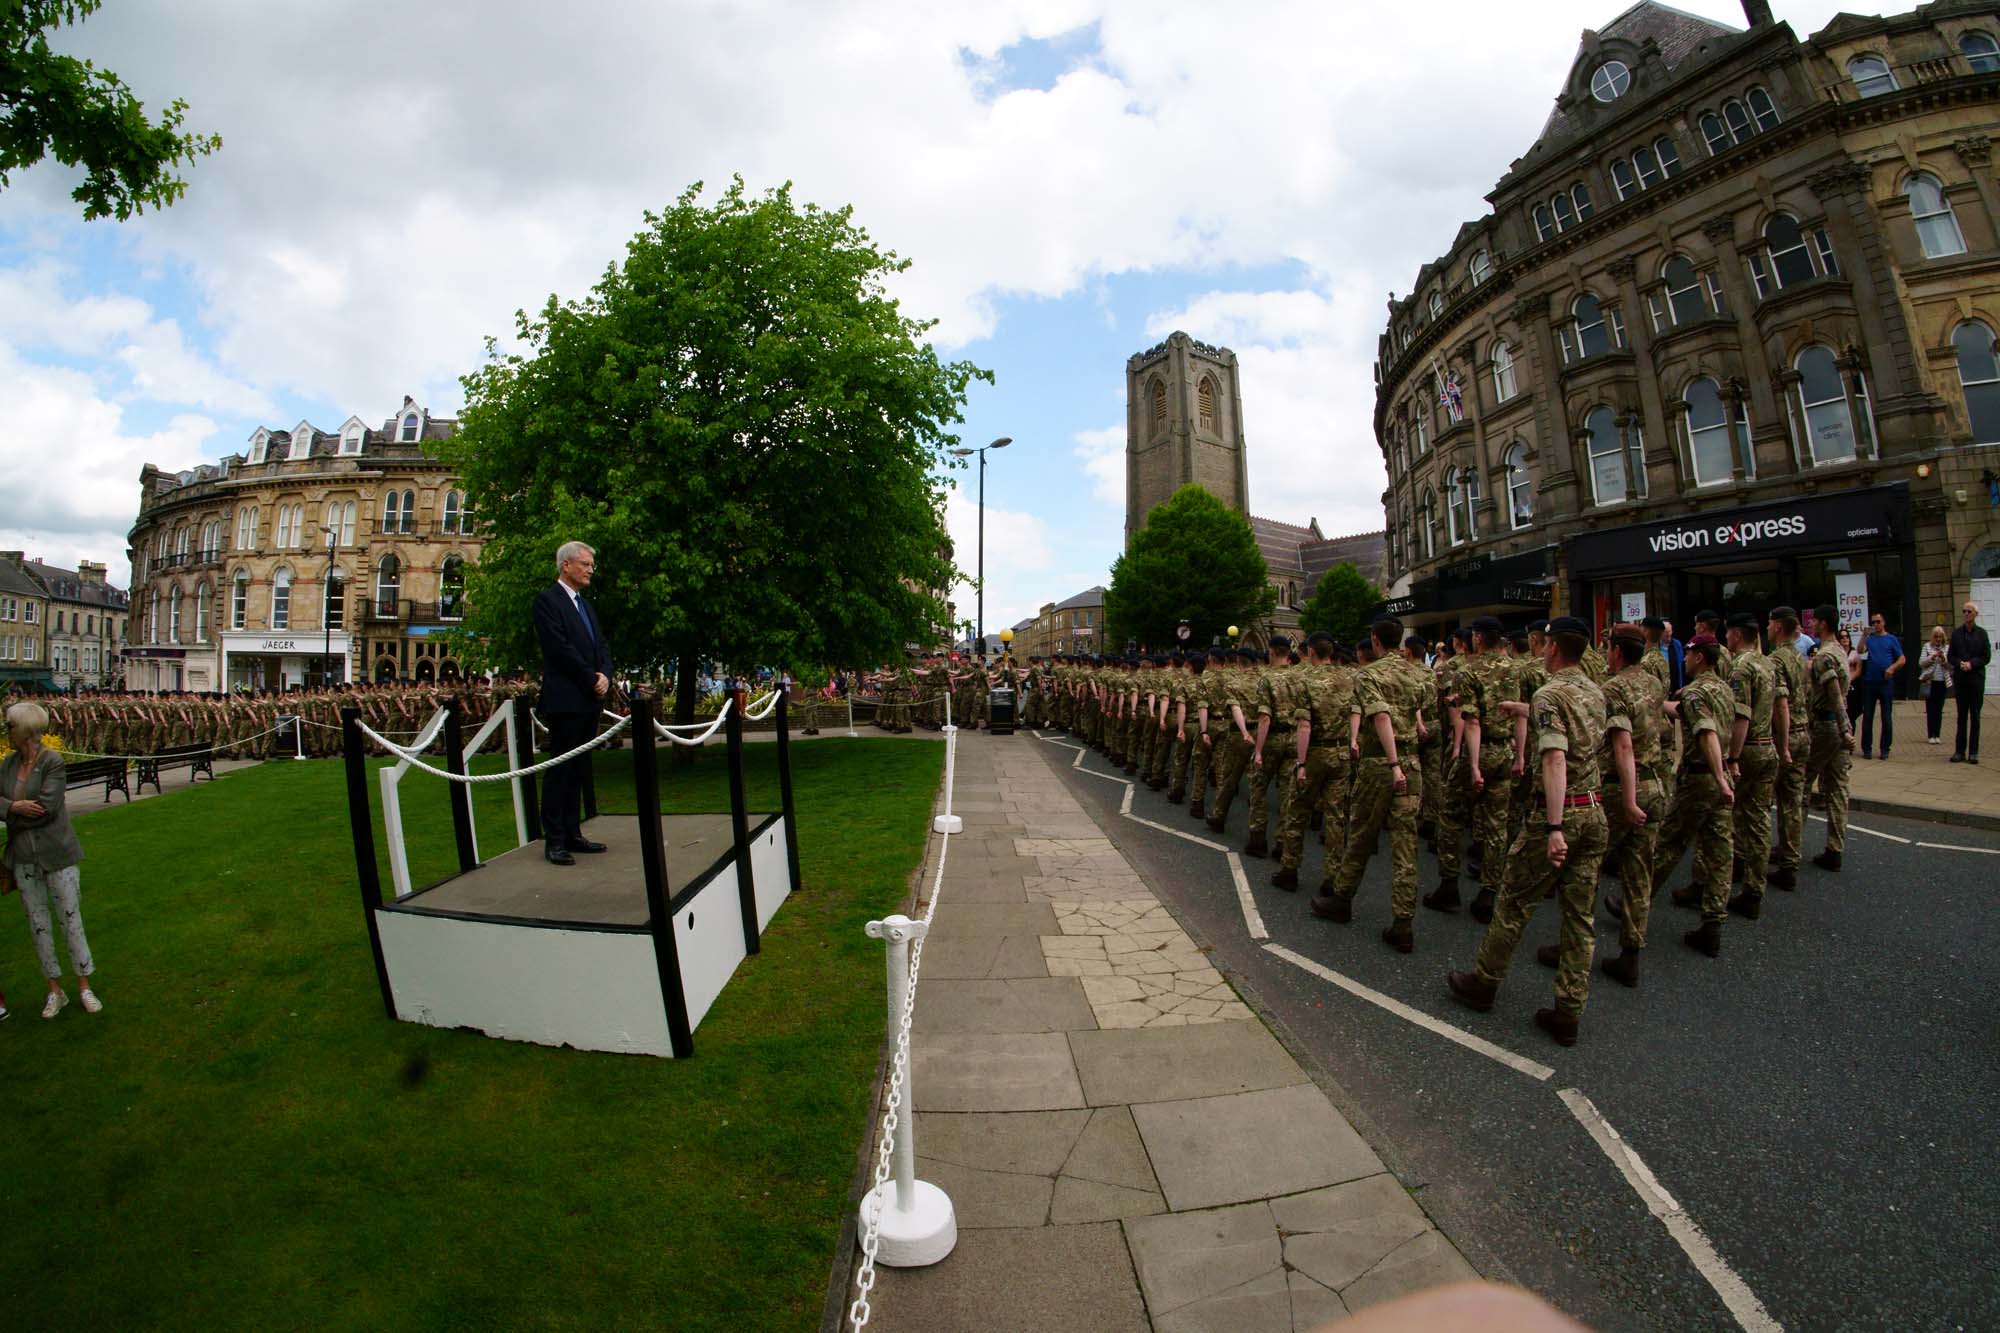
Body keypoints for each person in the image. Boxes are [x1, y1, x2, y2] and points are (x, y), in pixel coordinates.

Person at [1444, 617, 1608, 1047]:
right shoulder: (1592, 689)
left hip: (1560, 813)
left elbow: (1554, 757)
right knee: (1579, 915)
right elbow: (1579, 731)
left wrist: (1553, 826)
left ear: (1553, 647)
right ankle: (1568, 1010)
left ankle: (1484, 982)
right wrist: (1521, 710)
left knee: (1514, 901)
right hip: (1594, 810)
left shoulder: (1549, 693)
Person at [1312, 617, 1427, 953]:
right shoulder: (1420, 673)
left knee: (1361, 834)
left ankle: (1342, 898)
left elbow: (1379, 716)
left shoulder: (1369, 675)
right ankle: (1403, 922)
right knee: (1406, 847)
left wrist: (1392, 764)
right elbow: (1420, 710)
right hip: (1412, 761)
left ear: (1375, 641)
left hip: (1381, 763)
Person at [3, 701, 99, 1019]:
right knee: (38, 925)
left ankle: (84, 985)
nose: (6, 731)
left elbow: (47, 808)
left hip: (57, 853)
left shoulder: (52, 762)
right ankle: (54, 991)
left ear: (26, 729)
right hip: (24, 857)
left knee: (70, 919)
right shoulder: (7, 765)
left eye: (10, 726)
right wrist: (15, 809)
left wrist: (11, 813)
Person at [1651, 635, 1736, 957]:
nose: (1683, 659)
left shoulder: (1698, 692)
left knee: (1668, 843)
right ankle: (1712, 922)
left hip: (1701, 778)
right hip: (1722, 774)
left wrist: (1717, 776)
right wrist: (1730, 768)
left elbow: (1706, 732)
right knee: (1718, 851)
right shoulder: (1724, 689)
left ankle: (1637, 902)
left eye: (1687, 654)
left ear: (1699, 657)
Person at [532, 540, 614, 866]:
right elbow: (559, 649)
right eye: (586, 563)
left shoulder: (586, 605)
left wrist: (605, 674)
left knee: (579, 769)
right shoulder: (547, 601)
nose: (591, 569)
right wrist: (590, 678)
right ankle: (554, 840)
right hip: (565, 699)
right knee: (560, 770)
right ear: (566, 565)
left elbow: (601, 645)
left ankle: (573, 832)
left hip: (588, 700)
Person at [1806, 605, 1856, 871]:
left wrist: (1845, 729)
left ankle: (1789, 846)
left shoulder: (1825, 656)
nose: (1811, 623)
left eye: (1814, 620)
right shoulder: (1840, 651)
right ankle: (1835, 849)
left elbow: (1835, 695)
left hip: (1826, 725)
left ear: (1823, 624)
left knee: (1801, 782)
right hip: (1837, 726)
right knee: (1837, 788)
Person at [1857, 612, 1904, 759]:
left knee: (1886, 717)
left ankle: (1885, 749)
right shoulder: (1870, 639)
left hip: (1885, 683)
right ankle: (1867, 749)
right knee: (1868, 717)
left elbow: (1902, 659)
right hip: (1870, 682)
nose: (1876, 625)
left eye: (1878, 622)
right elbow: (1860, 650)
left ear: (1883, 623)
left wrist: (1892, 668)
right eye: (1873, 622)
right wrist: (1864, 635)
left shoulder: (1891, 639)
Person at [1950, 600, 1990, 764]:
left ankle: (1973, 752)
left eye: (1969, 611)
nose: (1966, 614)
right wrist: (1959, 663)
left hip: (1976, 680)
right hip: (1961, 681)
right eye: (1964, 611)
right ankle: (1959, 751)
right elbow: (1951, 655)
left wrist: (1972, 664)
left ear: (1975, 614)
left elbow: (1986, 657)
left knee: (1975, 716)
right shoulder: (1956, 633)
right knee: (1961, 717)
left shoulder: (1982, 634)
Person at [1918, 627, 1950, 746]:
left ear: (1943, 638)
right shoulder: (1927, 647)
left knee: (1939, 709)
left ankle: (1937, 734)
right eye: (1935, 636)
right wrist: (1932, 658)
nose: (1938, 639)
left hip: (1942, 682)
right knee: (1931, 709)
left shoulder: (1947, 648)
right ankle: (1931, 735)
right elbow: (1921, 663)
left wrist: (1943, 659)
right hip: (1930, 682)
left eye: (1940, 636)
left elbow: (1950, 666)